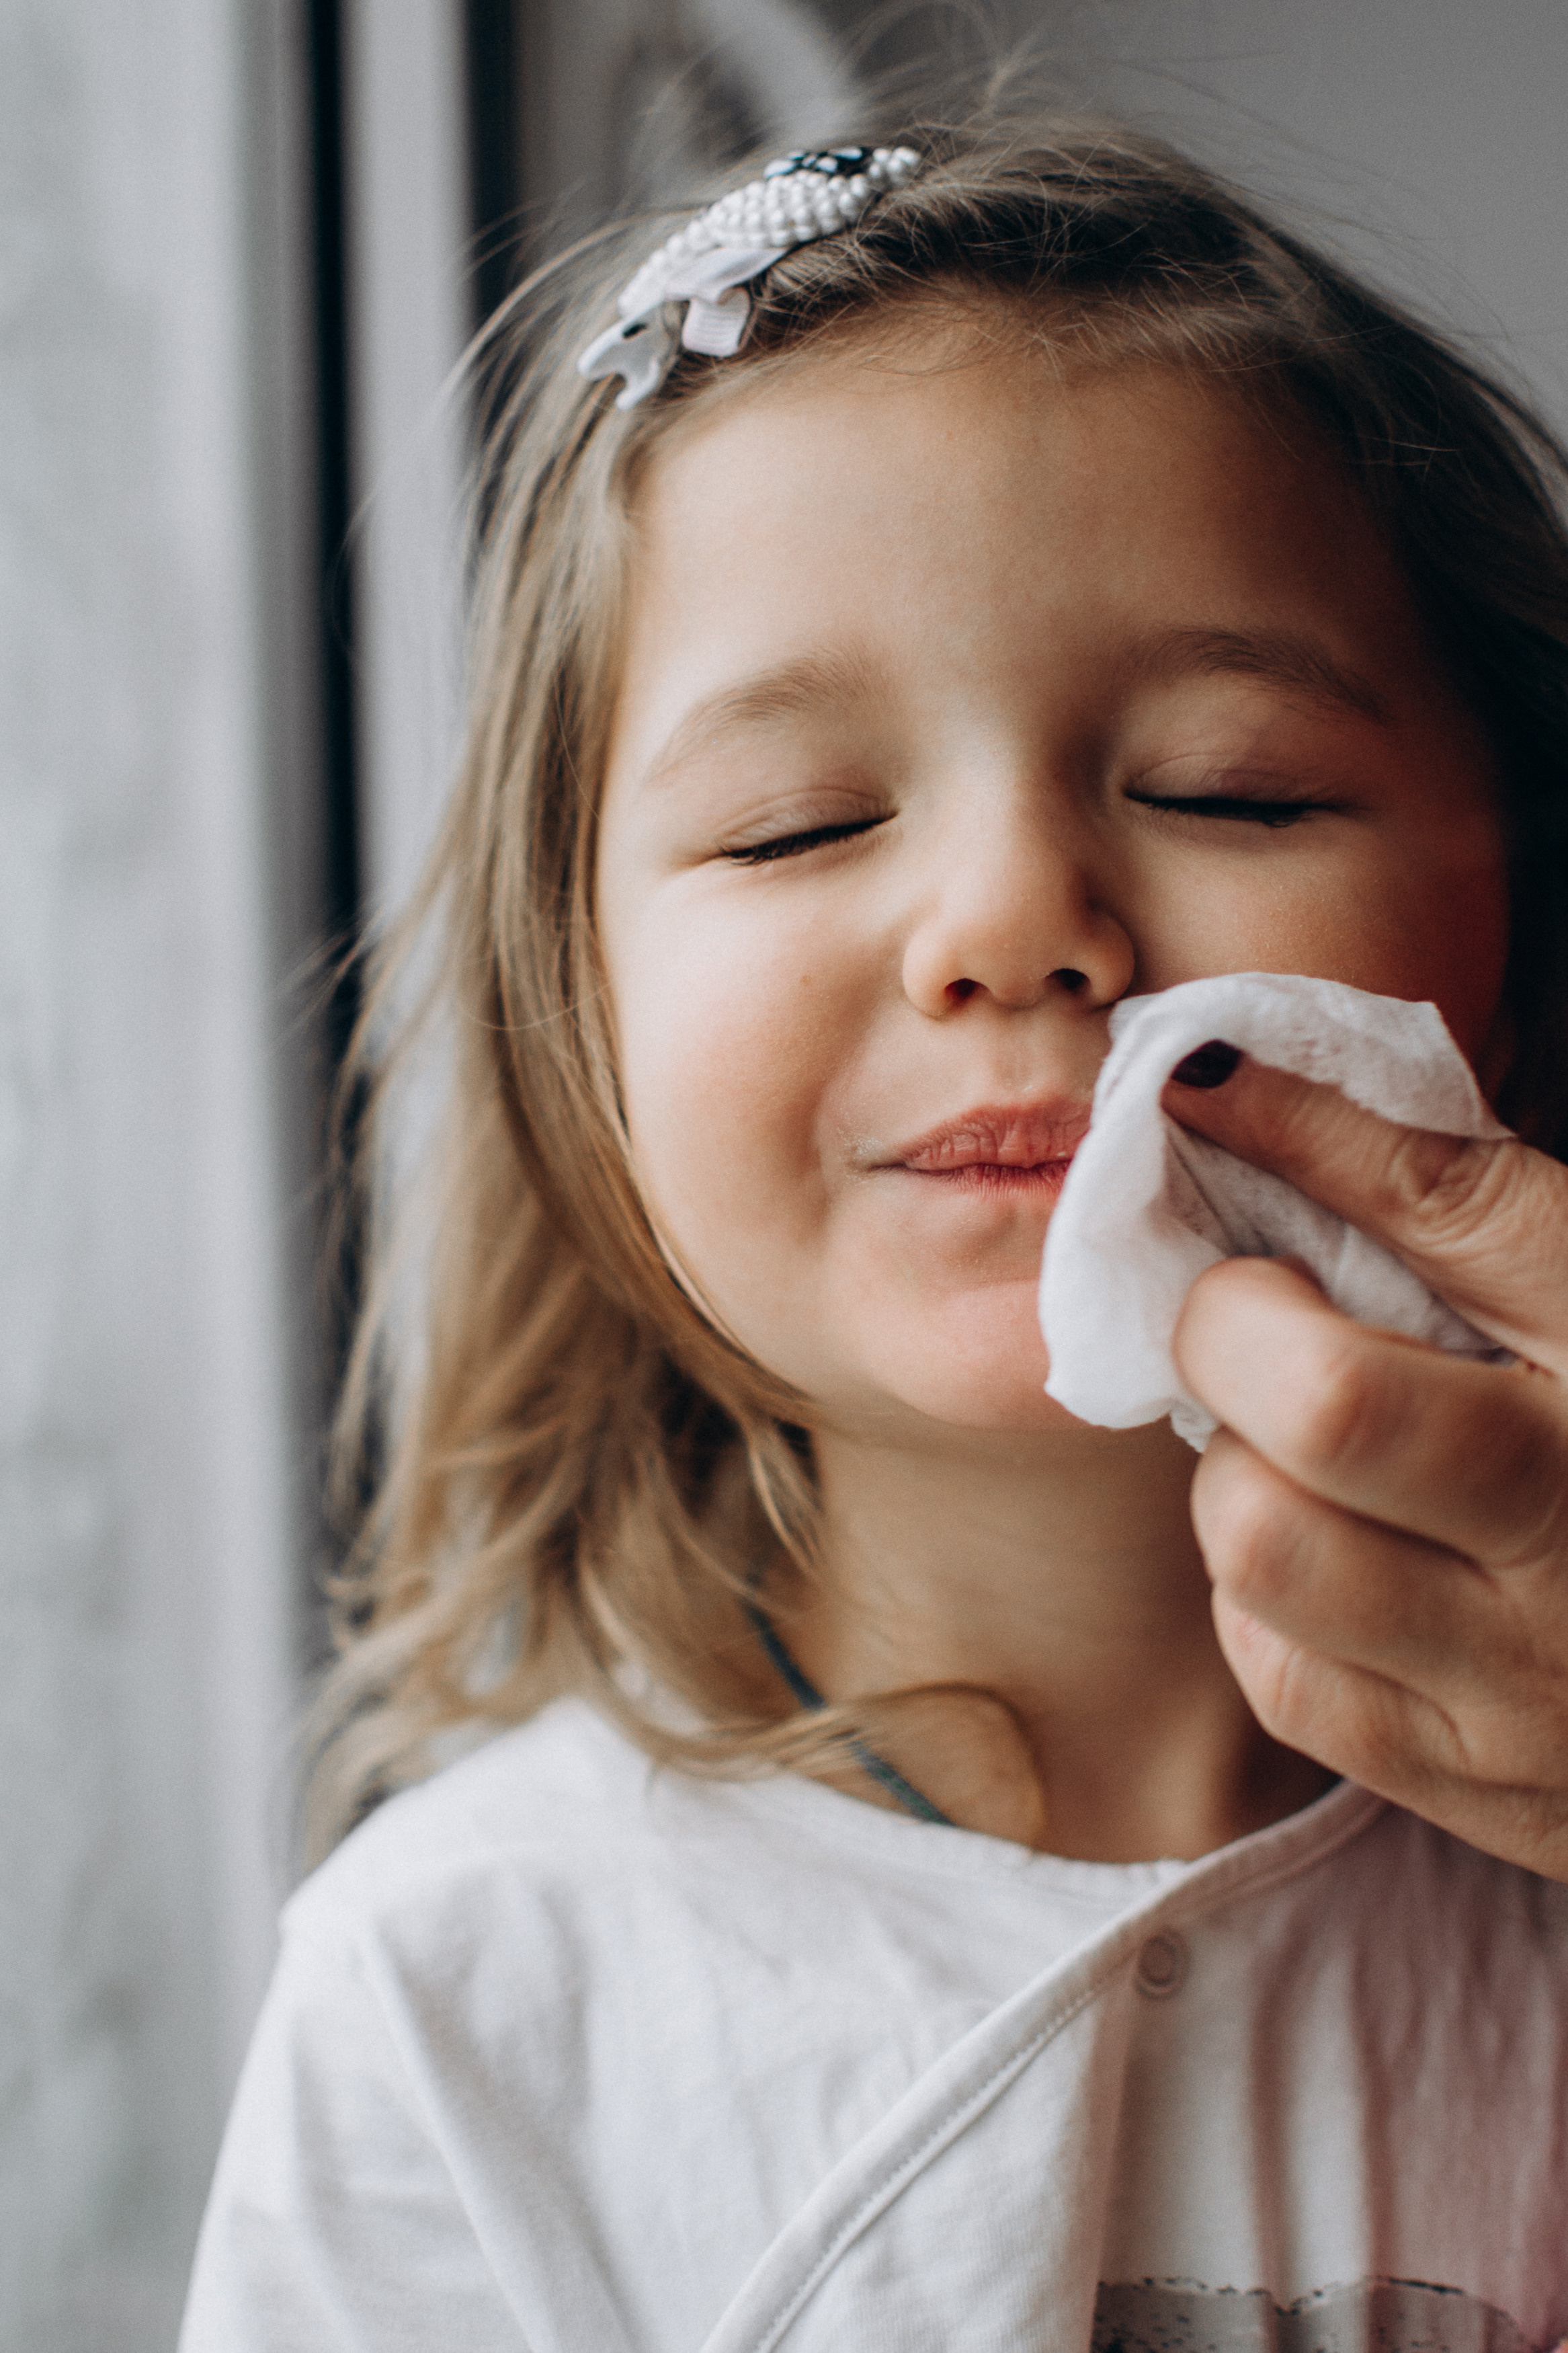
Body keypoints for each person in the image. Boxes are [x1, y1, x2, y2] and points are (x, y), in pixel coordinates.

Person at [181, 108, 1568, 2352]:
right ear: (584, 1025)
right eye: (800, 821)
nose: (1015, 921)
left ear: (1524, 931)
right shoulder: (468, 1998)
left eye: (1231, 786)